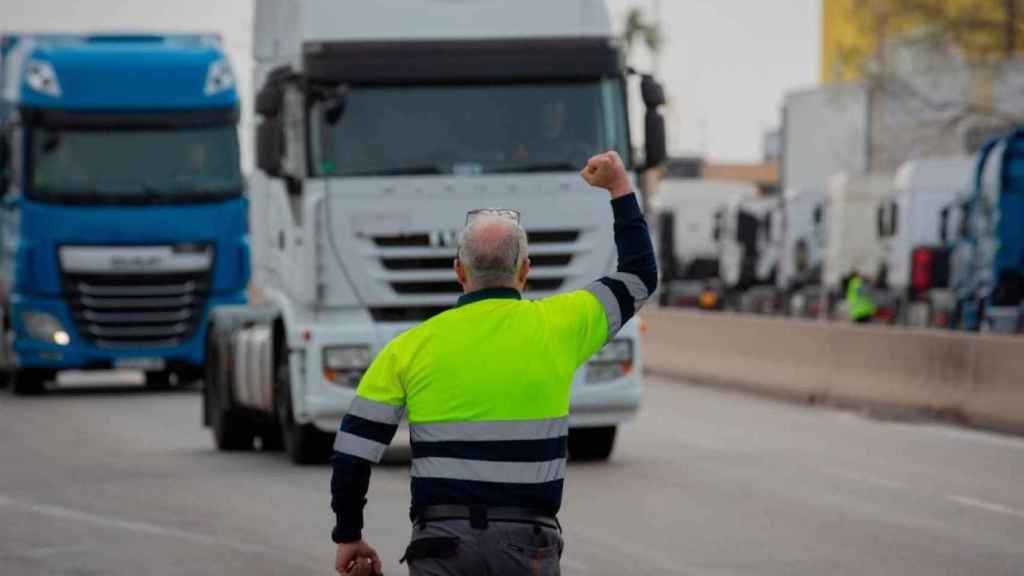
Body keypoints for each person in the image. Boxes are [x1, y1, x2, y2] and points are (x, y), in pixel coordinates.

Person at [329, 151, 657, 575]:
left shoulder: (409, 347)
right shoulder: (559, 325)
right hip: (527, 545)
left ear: (458, 272)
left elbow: (353, 451)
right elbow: (639, 276)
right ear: (525, 271)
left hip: (440, 545)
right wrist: (618, 188)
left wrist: (349, 535)